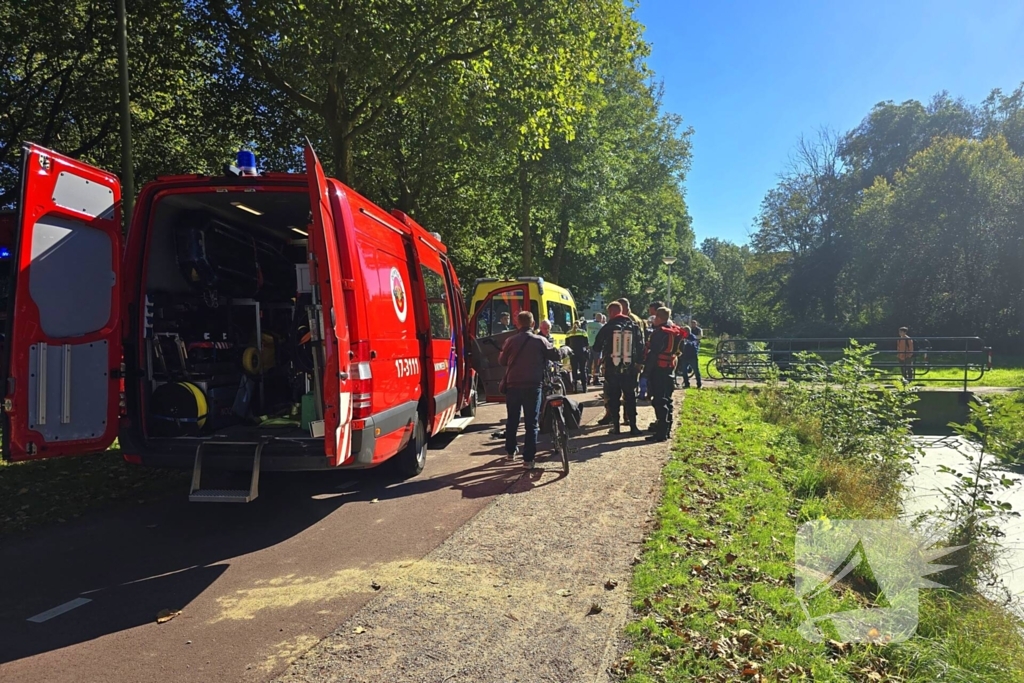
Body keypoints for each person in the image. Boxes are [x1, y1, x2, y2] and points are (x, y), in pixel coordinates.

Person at [499, 311, 561, 469]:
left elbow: (502, 361)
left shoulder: (510, 341)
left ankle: (510, 451)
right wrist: (565, 350)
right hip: (533, 385)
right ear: (533, 324)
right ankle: (528, 459)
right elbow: (555, 355)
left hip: (513, 385)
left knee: (512, 419)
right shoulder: (540, 340)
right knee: (531, 423)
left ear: (517, 324)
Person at [594, 301, 643, 435]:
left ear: (610, 312)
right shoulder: (633, 326)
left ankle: (616, 428)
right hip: (629, 367)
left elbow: (597, 346)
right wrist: (638, 364)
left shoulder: (608, 327)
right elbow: (640, 347)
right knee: (630, 396)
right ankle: (633, 427)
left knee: (613, 397)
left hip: (612, 368)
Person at [644, 307, 686, 442]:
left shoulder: (659, 333)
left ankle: (661, 433)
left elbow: (653, 354)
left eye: (655, 317)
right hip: (670, 368)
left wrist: (645, 373)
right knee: (667, 400)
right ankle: (667, 429)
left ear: (659, 318)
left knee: (659, 401)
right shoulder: (676, 332)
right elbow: (681, 350)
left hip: (658, 370)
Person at [565, 321, 590, 391]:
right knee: (583, 369)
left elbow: (567, 344)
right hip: (582, 353)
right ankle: (584, 388)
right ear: (580, 325)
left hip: (573, 353)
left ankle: (575, 388)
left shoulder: (568, 333)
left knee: (574, 370)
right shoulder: (583, 332)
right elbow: (587, 343)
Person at [679, 324, 702, 389]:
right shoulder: (682, 337)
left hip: (692, 356)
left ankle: (699, 384)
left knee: (696, 371)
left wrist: (688, 342)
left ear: (689, 331)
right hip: (684, 357)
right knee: (684, 371)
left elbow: (694, 344)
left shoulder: (693, 337)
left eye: (685, 331)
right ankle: (686, 384)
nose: (685, 333)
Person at [586, 314, 605, 384]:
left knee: (589, 363)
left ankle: (587, 379)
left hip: (589, 345)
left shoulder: (589, 325)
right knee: (597, 364)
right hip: (597, 347)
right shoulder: (601, 326)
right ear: (601, 319)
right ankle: (595, 379)